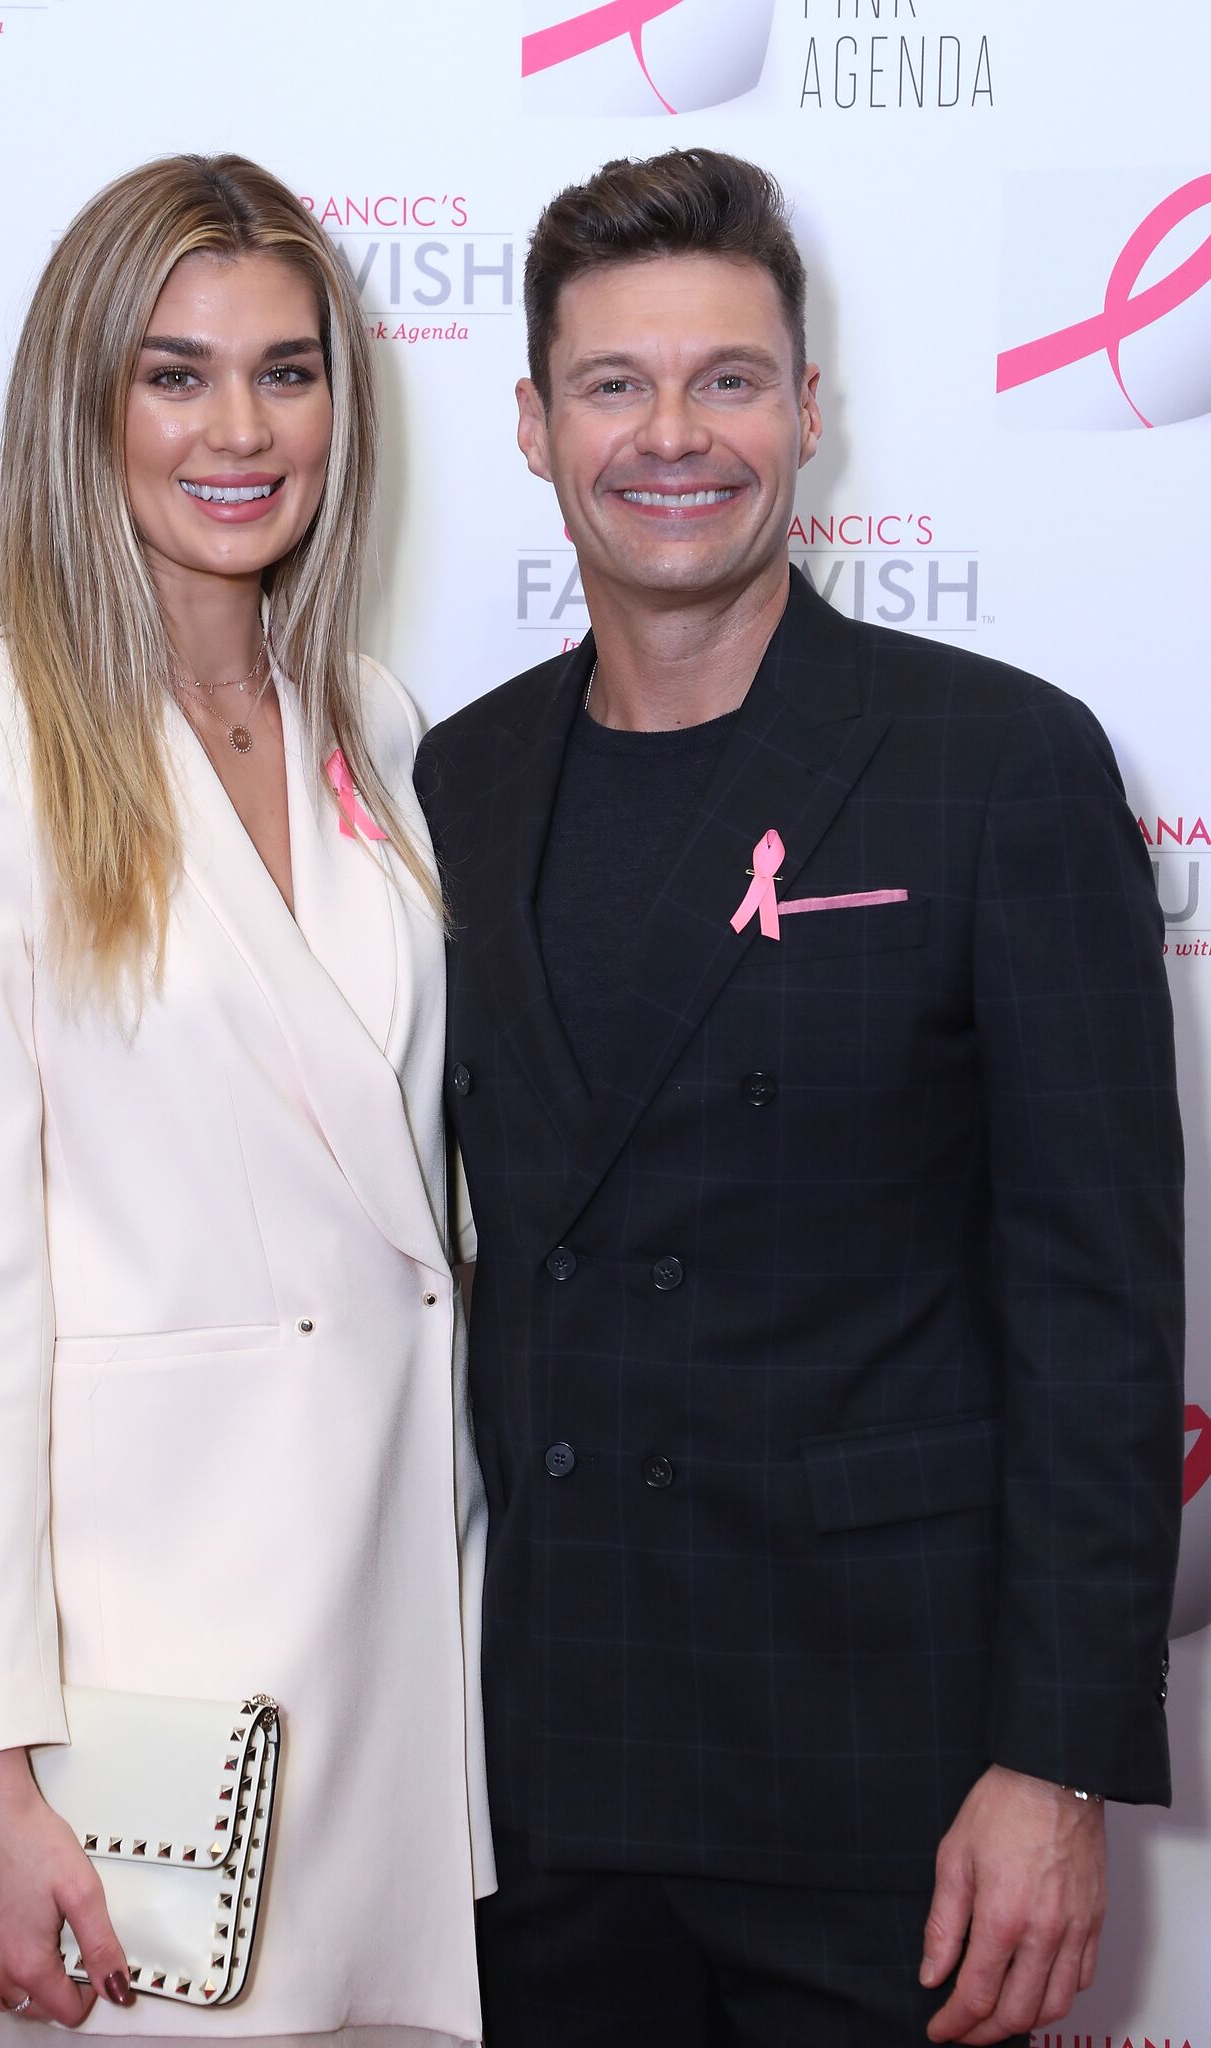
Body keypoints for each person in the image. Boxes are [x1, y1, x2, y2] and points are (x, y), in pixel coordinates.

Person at [414, 147, 1184, 2048]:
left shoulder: (998, 765)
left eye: (729, 379)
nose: (673, 435)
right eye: (614, 384)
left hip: (893, 1787)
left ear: (810, 411)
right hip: (539, 1779)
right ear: (532, 424)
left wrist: (1056, 1767)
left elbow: (1101, 1310)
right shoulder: (461, 785)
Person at [0, 152, 493, 2045]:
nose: (240, 427)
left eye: (287, 371)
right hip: (146, 1697)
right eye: (176, 372)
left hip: (404, 1641)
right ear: (88, 402)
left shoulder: (371, 716)